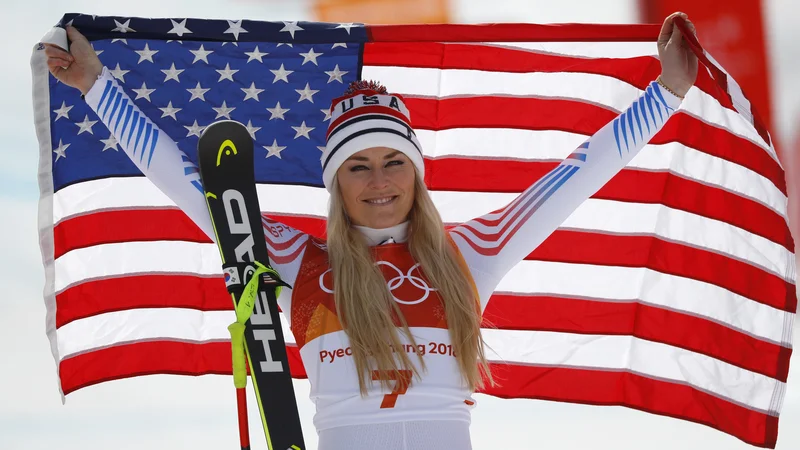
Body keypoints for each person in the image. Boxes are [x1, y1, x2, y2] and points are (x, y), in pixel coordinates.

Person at [44, 11, 698, 450]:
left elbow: (578, 175)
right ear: (336, 183)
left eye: (393, 163)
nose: (379, 180)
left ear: (415, 173)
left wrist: (666, 91)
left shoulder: (472, 253)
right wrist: (95, 86)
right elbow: (192, 184)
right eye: (358, 166)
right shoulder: (299, 262)